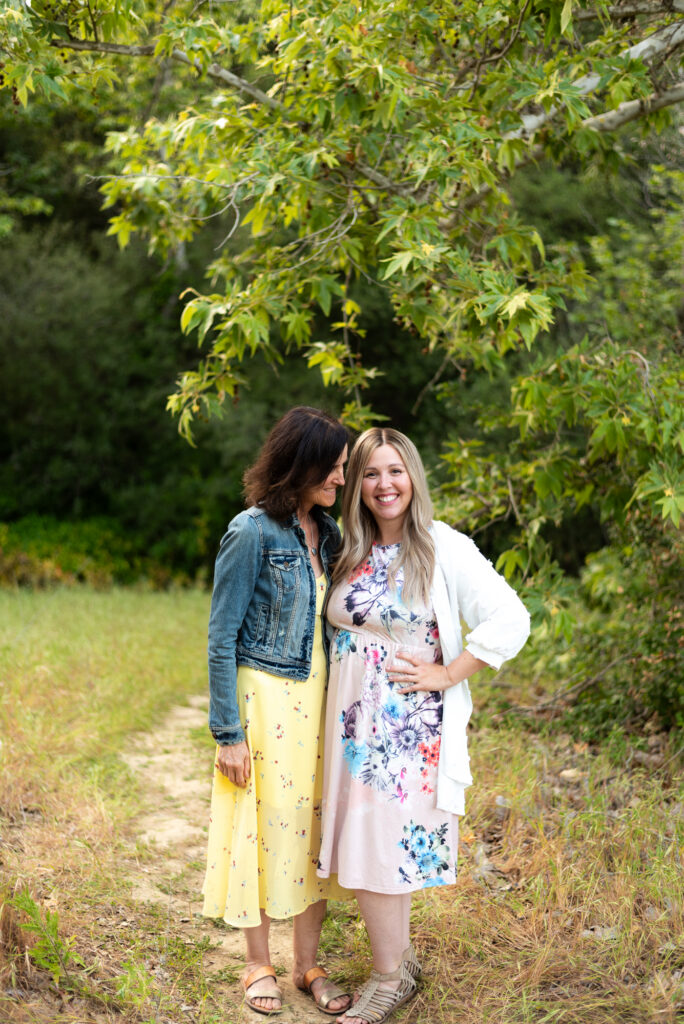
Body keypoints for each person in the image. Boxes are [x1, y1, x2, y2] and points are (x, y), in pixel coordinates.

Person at [317, 427, 530, 1024]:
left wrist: (448, 673)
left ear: (413, 477)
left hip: (407, 730)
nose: (384, 485)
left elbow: (511, 616)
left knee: (381, 846)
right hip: (351, 730)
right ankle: (400, 962)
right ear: (356, 484)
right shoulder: (348, 550)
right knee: (367, 844)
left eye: (395, 471)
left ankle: (388, 980)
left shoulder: (442, 548)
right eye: (370, 473)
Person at [201, 406, 352, 1017]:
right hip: (264, 698)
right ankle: (257, 963)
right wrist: (227, 732)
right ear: (304, 462)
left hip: (319, 698)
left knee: (313, 826)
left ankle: (306, 963)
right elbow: (220, 637)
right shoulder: (251, 531)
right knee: (261, 828)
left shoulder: (332, 535)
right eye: (335, 470)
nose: (341, 481)